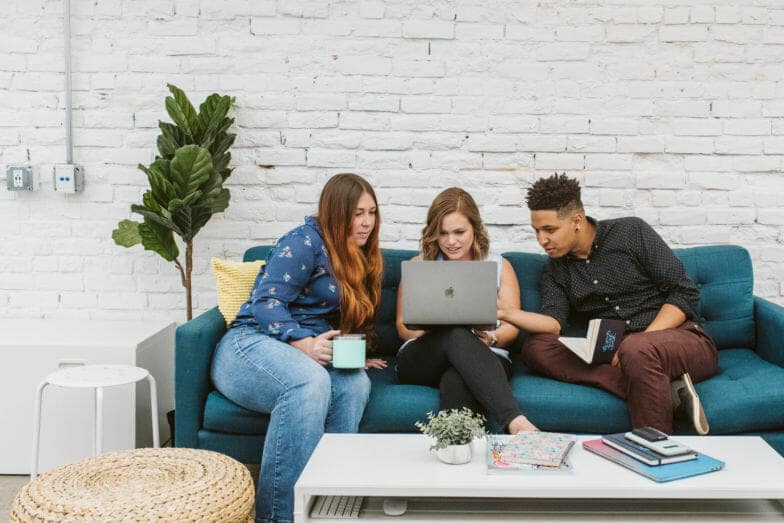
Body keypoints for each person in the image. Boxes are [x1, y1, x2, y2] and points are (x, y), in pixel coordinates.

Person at [211, 173, 387, 523]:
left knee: (354, 385)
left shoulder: (358, 252)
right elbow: (266, 303)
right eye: (357, 213)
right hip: (252, 342)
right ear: (336, 213)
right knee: (309, 382)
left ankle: (328, 506)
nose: (366, 222)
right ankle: (280, 517)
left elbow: (335, 318)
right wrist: (304, 344)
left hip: (303, 351)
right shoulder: (304, 242)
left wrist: (350, 354)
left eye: (371, 212)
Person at [499, 173, 718, 435]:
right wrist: (506, 312)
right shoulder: (556, 270)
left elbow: (684, 293)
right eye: (536, 231)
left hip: (679, 339)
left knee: (637, 350)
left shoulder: (631, 232)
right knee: (536, 346)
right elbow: (553, 324)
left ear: (576, 221)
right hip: (614, 353)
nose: (541, 240)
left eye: (550, 230)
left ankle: (657, 453)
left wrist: (639, 342)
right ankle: (668, 392)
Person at [395, 187, 539, 434]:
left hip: (485, 356)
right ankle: (516, 421)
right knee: (454, 333)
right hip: (423, 357)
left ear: (475, 228)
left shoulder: (499, 266)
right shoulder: (420, 266)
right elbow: (401, 327)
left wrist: (490, 337)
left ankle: (455, 455)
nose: (451, 242)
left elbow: (511, 327)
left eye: (459, 232)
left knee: (458, 379)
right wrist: (433, 331)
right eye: (443, 234)